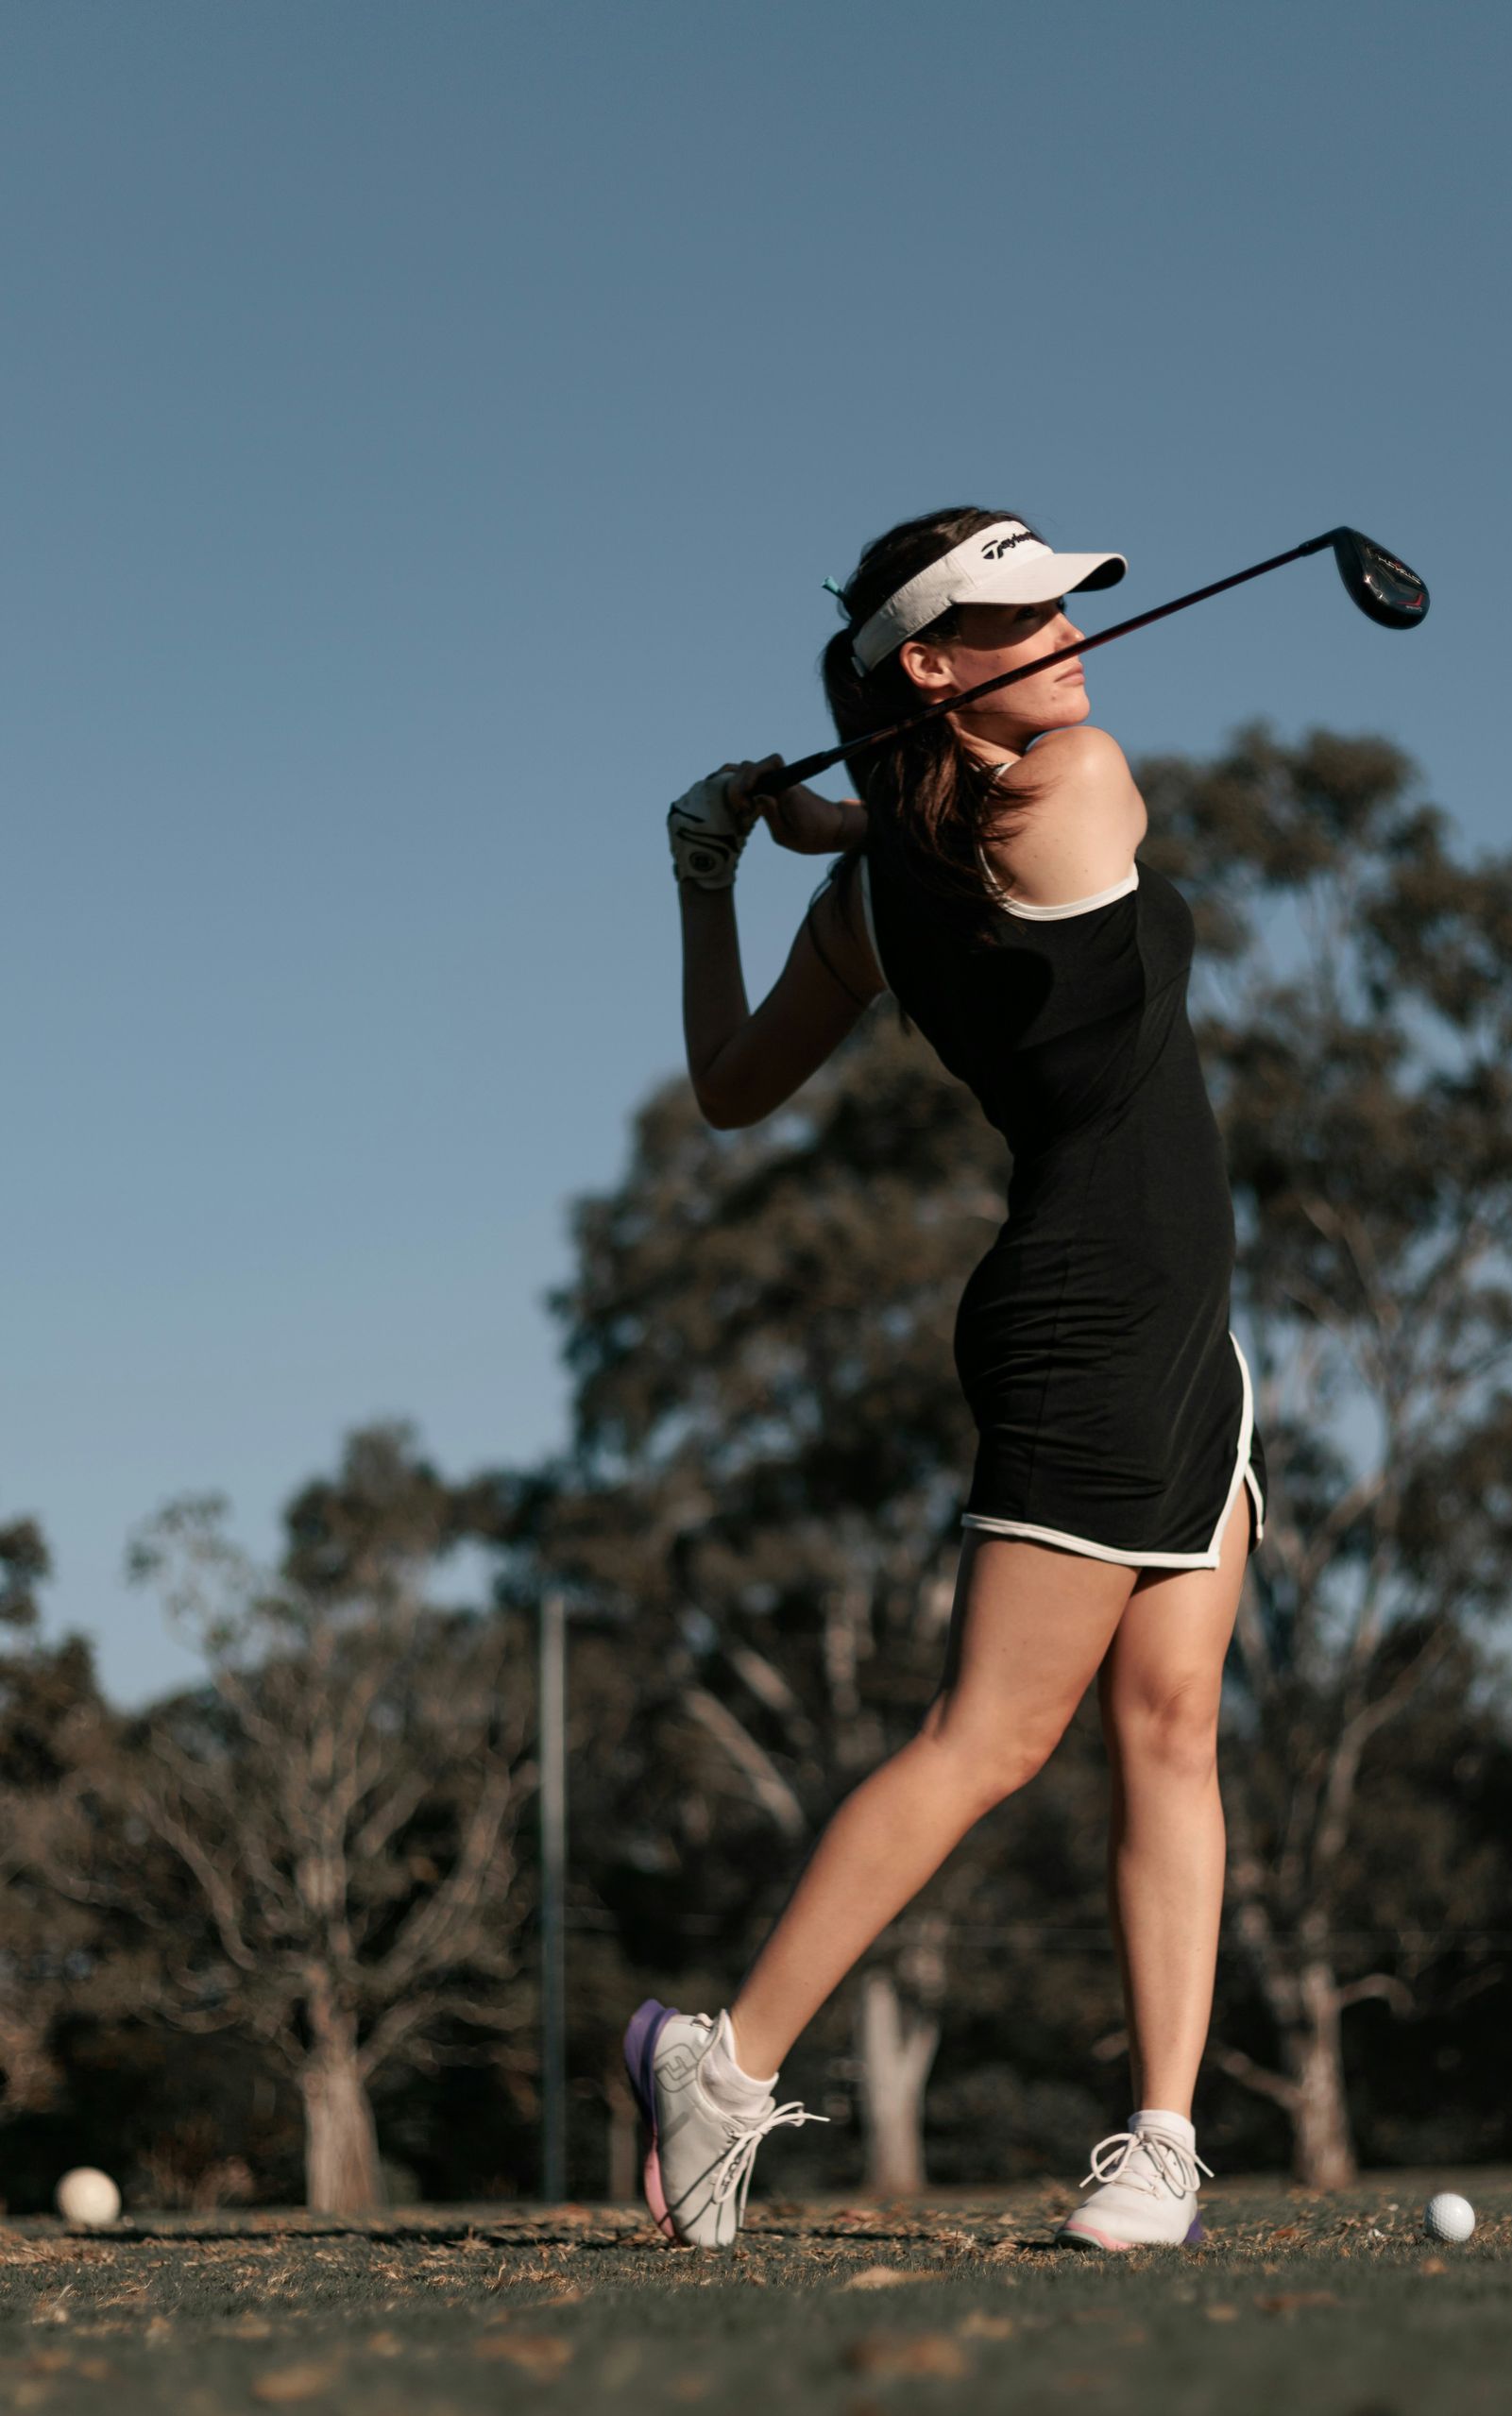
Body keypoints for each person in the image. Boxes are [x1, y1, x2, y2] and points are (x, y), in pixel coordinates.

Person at [626, 507, 1265, 2251]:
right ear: (929, 661)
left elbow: (731, 1082)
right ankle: (724, 2057)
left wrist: (724, 869)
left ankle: (1156, 2141)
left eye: (1066, 605)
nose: (1071, 635)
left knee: (1172, 1727)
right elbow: (997, 811)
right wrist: (837, 810)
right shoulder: (1082, 780)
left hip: (1170, 1315)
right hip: (1099, 1310)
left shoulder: (861, 905)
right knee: (989, 1733)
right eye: (1026, 612)